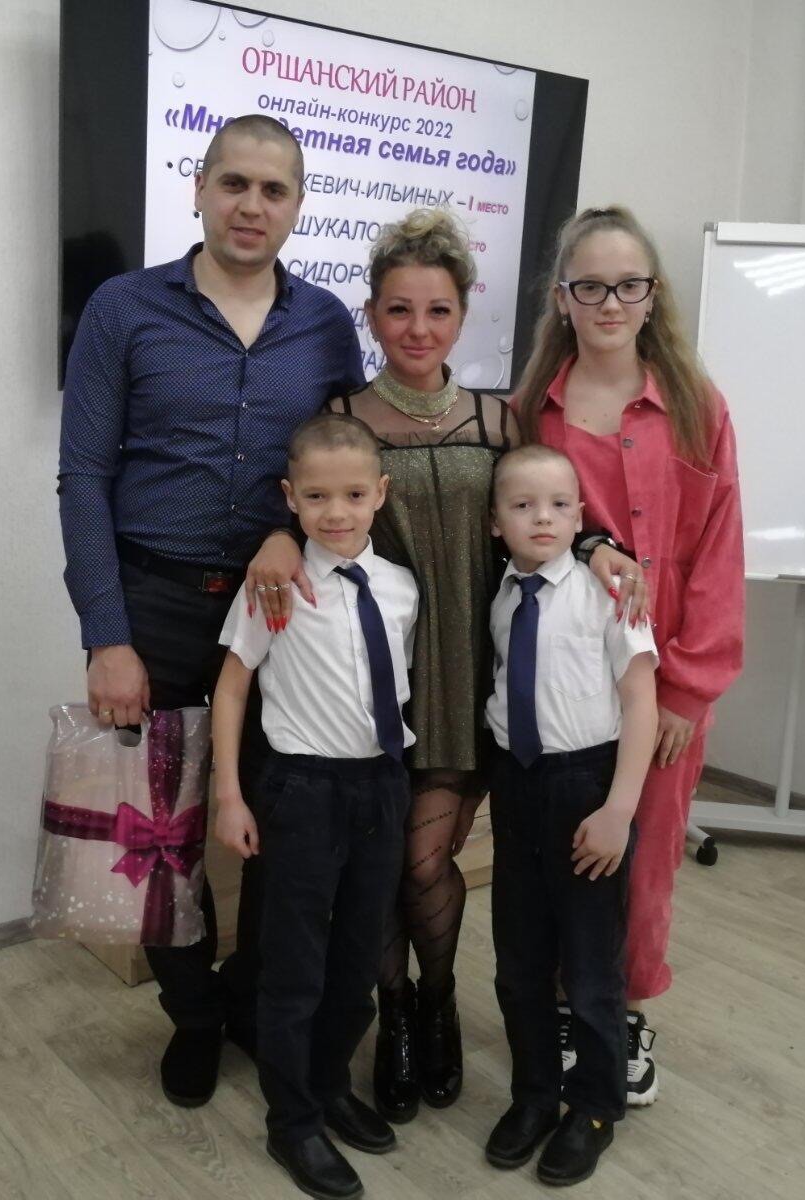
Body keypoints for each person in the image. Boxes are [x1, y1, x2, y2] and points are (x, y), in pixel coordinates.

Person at [56, 113, 365, 1108]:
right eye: (234, 183)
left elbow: (341, 468)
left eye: (274, 190)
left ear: (297, 206)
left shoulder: (327, 325)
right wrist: (107, 635)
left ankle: (249, 1000)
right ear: (198, 188)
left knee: (286, 823)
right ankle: (192, 1015)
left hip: (280, 613)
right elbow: (83, 474)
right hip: (153, 605)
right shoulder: (123, 309)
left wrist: (290, 534)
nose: (251, 205)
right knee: (154, 838)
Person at [512, 205, 744, 1106]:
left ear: (653, 296)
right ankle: (569, 1003)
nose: (611, 302)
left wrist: (687, 687)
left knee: (644, 858)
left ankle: (628, 1008)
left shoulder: (696, 406)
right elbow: (521, 534)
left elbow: (719, 551)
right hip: (565, 668)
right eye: (592, 286)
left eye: (629, 285)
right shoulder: (533, 410)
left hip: (667, 670)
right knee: (567, 844)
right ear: (563, 298)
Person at [326, 208, 514, 1120]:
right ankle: (394, 1013)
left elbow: (540, 528)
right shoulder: (339, 421)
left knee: (425, 860)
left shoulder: (497, 419)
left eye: (437, 310)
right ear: (371, 314)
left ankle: (434, 1002)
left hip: (465, 674)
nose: (418, 328)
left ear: (462, 315)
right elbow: (309, 528)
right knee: (379, 867)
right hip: (371, 681)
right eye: (399, 309)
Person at [212, 414, 417, 1200]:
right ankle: (291, 1120)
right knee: (295, 968)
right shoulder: (276, 584)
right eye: (318, 496)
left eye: (355, 495)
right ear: (290, 498)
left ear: (380, 494)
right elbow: (233, 688)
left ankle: (330, 1085)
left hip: (380, 786)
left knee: (357, 959)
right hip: (303, 792)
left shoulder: (399, 587)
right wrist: (230, 795)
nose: (338, 512)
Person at [481, 444, 658, 1186]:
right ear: (496, 523)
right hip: (516, 786)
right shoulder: (501, 594)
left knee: (589, 967)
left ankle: (594, 1106)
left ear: (582, 516)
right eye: (522, 506)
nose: (542, 519)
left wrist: (619, 809)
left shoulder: (609, 590)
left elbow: (641, 703)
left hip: (586, 787)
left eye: (559, 505)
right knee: (519, 961)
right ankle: (533, 1094)